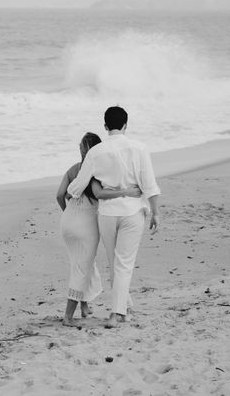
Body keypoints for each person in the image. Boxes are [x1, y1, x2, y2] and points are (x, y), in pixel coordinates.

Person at [66, 107, 160, 329]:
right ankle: (116, 313)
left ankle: (123, 309)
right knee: (124, 264)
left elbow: (76, 186)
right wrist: (156, 212)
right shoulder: (139, 148)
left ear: (105, 126)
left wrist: (72, 191)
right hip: (132, 212)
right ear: (126, 125)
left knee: (113, 262)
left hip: (107, 214)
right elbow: (149, 184)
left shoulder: (96, 152)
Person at [55, 132, 143, 327]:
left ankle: (84, 307)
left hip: (67, 222)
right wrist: (127, 192)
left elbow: (60, 195)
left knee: (82, 263)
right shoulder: (95, 172)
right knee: (81, 268)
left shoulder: (73, 170)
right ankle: (68, 317)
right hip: (86, 225)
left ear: (81, 148)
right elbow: (99, 193)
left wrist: (68, 214)